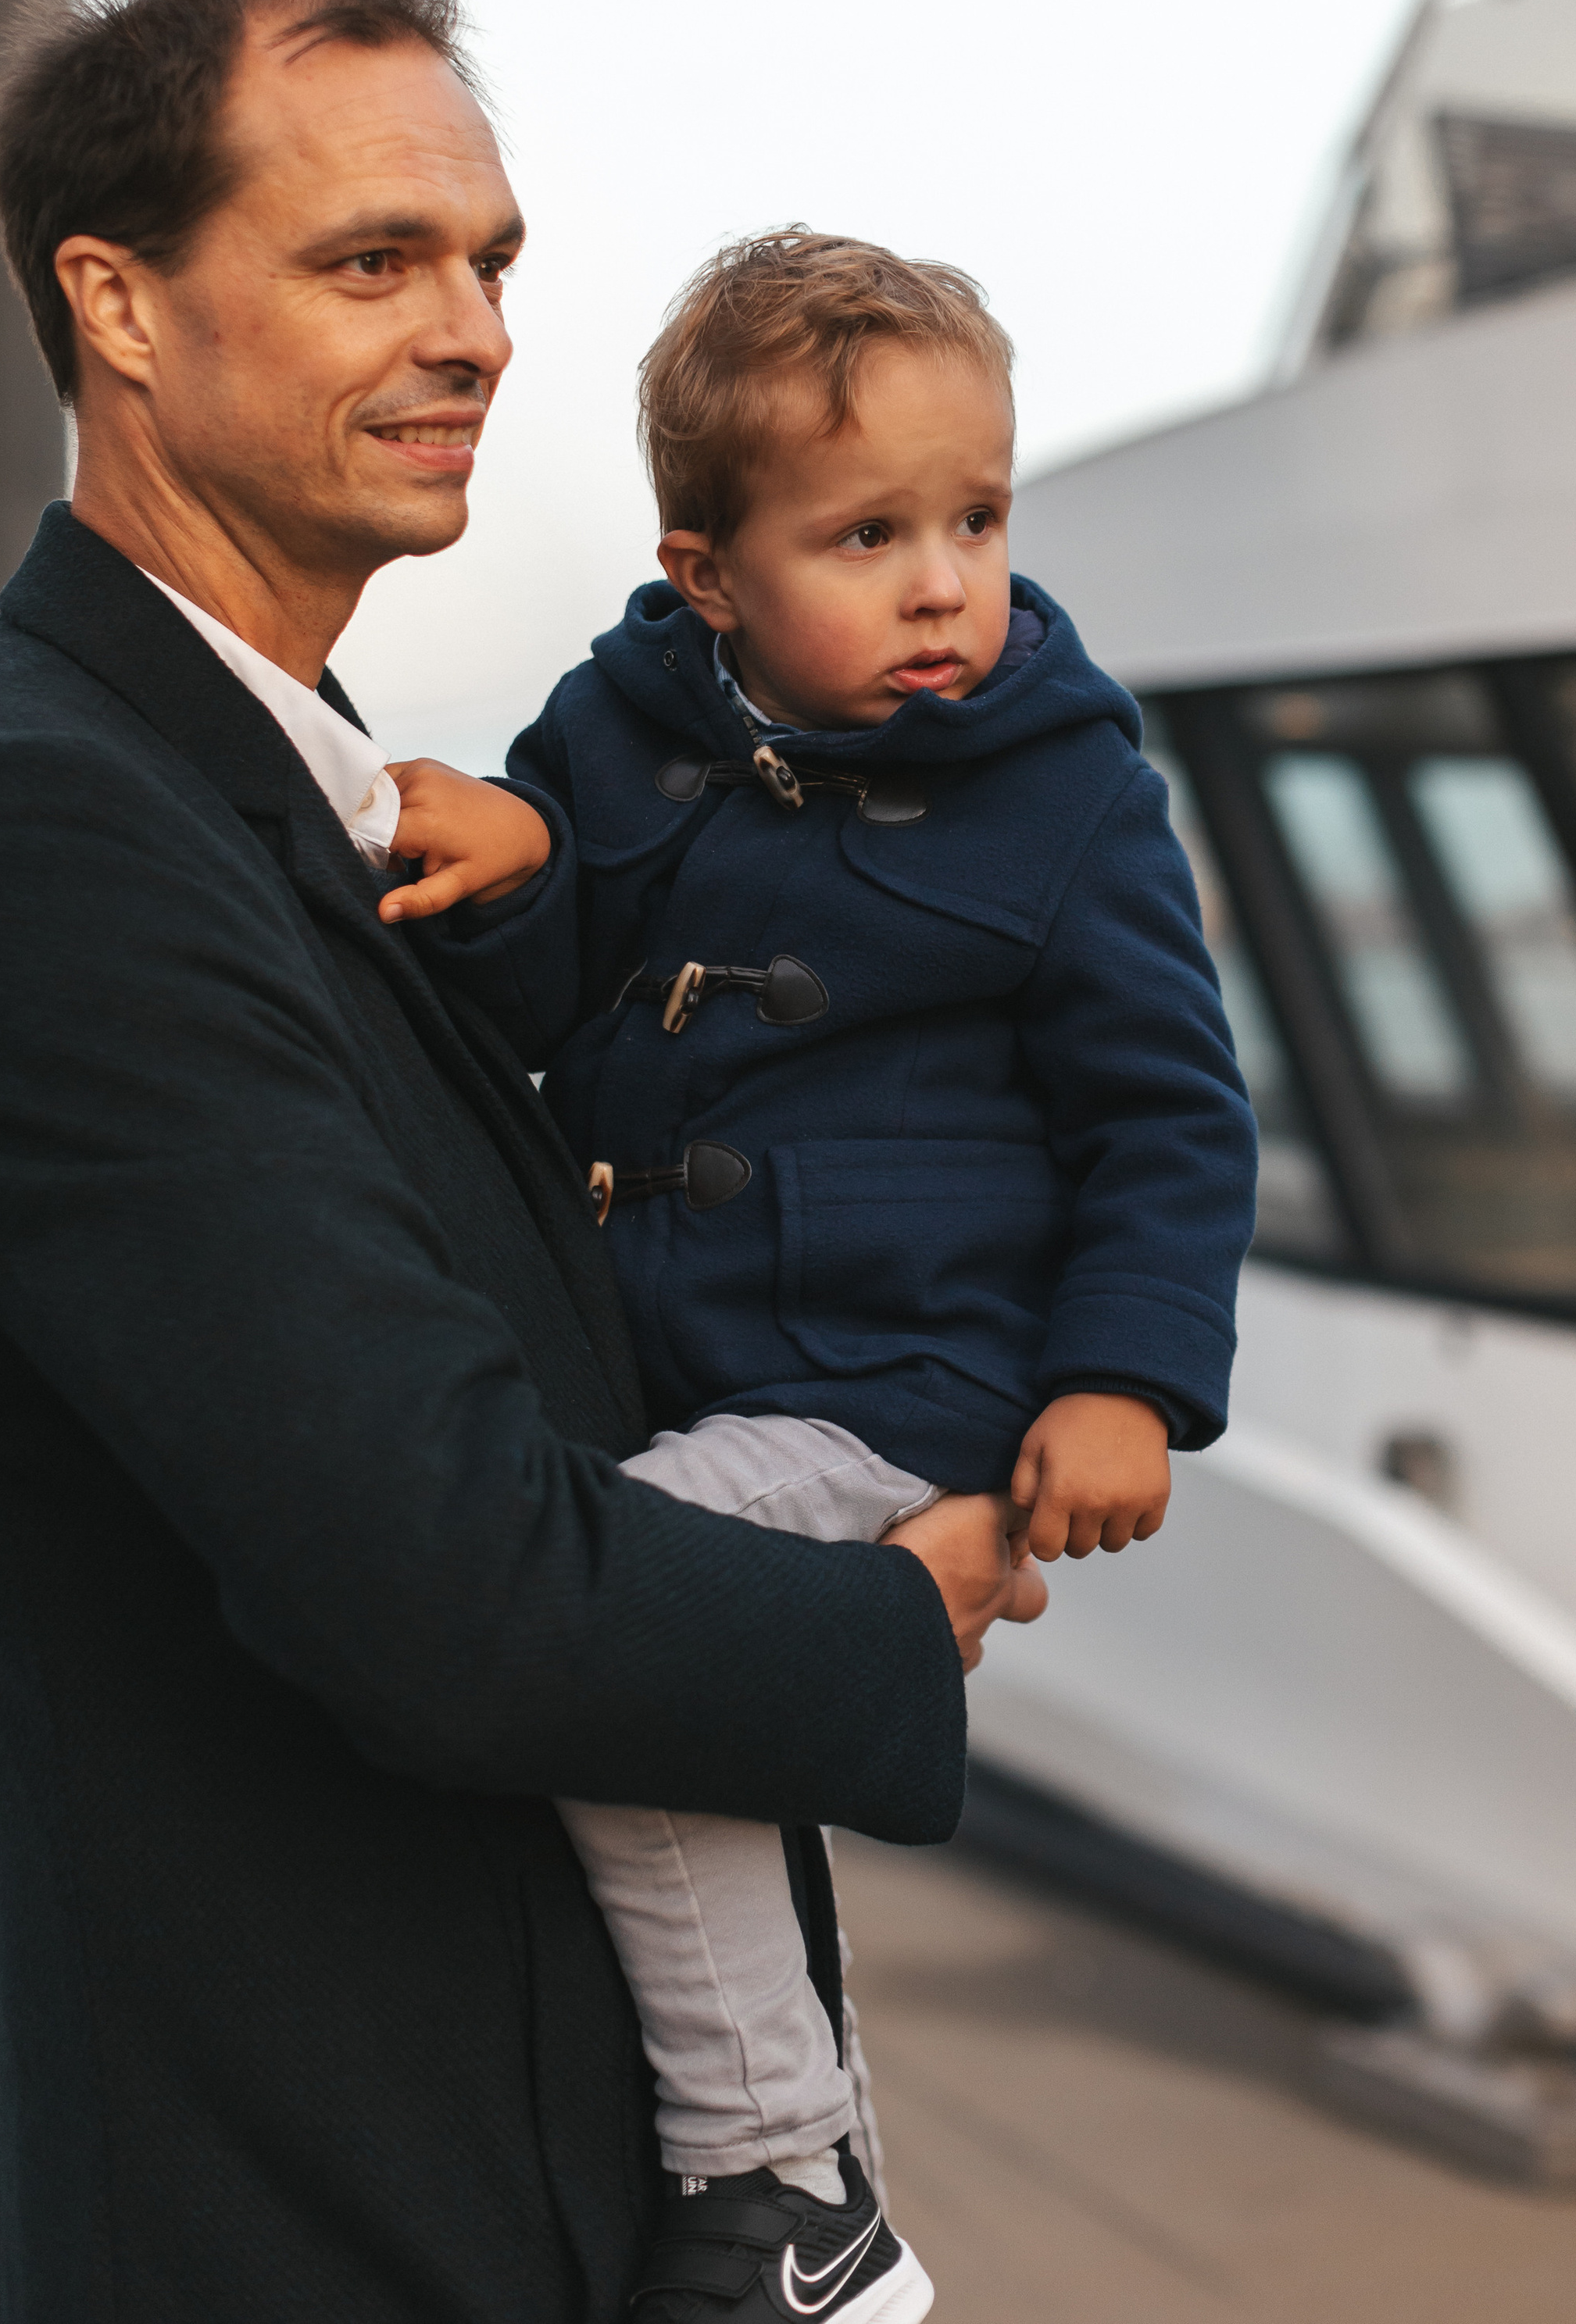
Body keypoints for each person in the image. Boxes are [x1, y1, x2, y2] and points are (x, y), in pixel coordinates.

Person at [0, 0, 1044, 2324]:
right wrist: (897, 1606)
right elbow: (444, 1589)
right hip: (303, 2212)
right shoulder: (52, 828)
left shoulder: (279, 791)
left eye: (486, 260)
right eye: (373, 260)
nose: (472, 331)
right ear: (118, 307)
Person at [384, 228, 1260, 2321]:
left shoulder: (1069, 800)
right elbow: (555, 985)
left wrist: (1123, 1383)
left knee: (609, 1608)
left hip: (912, 1385)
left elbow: (1173, 1119)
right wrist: (520, 867)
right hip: (695, 1362)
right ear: (712, 574)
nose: (946, 579)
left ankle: (779, 2171)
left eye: (976, 517)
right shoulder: (616, 728)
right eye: (867, 534)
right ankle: (818, 2146)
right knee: (643, 1661)